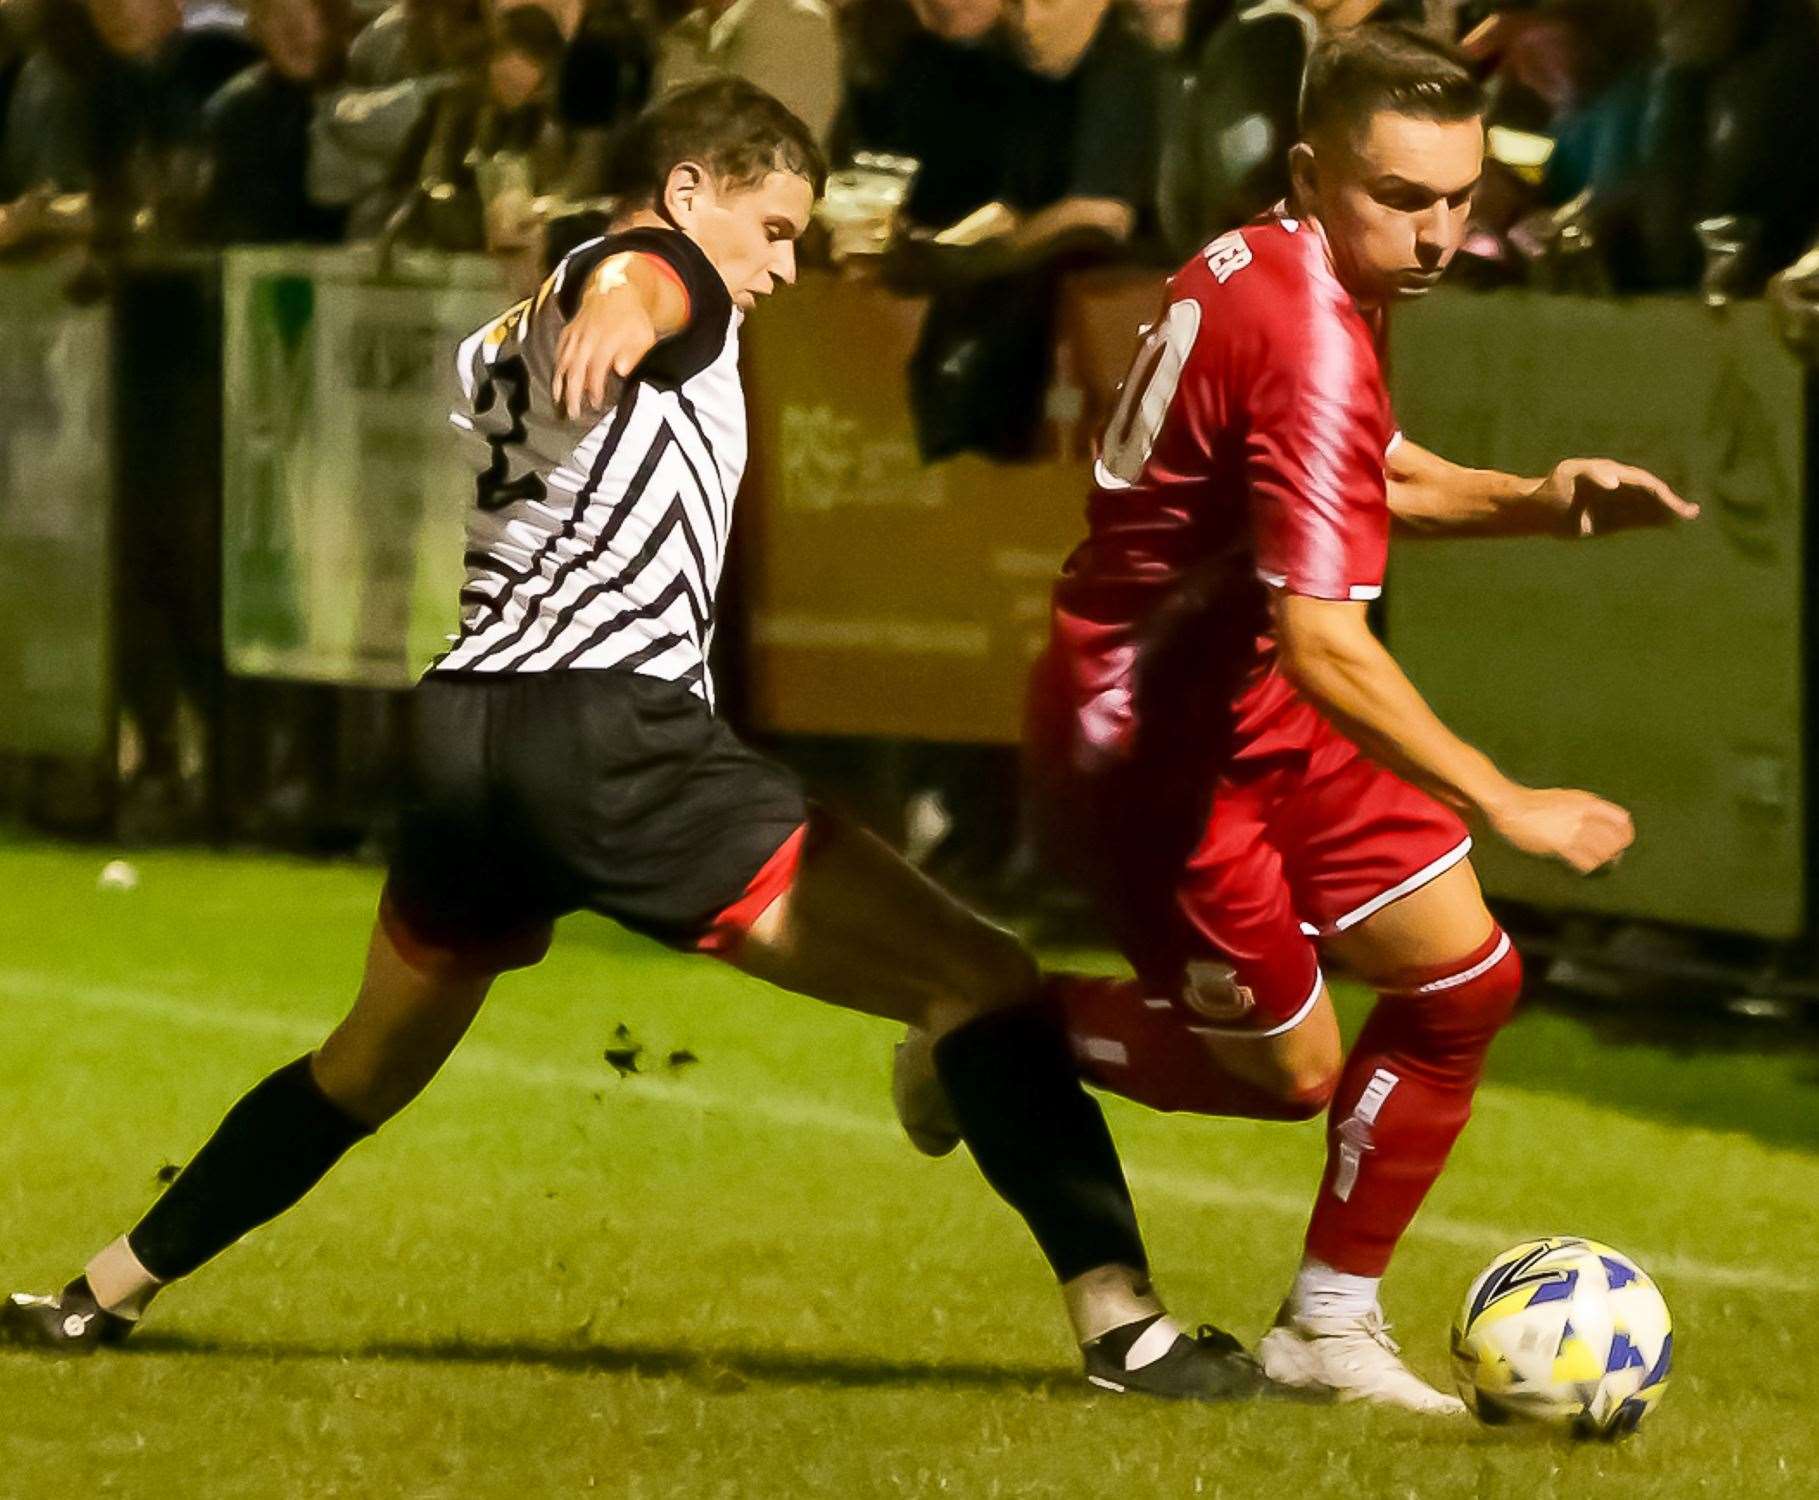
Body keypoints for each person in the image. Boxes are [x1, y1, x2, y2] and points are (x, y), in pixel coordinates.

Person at [0, 78, 1270, 1405]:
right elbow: (647, 285)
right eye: (771, 227)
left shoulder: (514, 318)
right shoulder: (655, 272)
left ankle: (97, 1296)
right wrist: (630, 297)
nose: (782, 264)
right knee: (987, 982)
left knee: (360, 1068)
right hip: (609, 738)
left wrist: (722, 265)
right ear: (688, 190)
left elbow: (618, 281)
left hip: (464, 740)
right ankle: (1126, 1332)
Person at [894, 23, 1698, 1413]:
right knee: (1290, 1075)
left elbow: (1358, 472)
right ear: (1317, 169)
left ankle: (1327, 1325)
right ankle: (990, 1040)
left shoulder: (1284, 256)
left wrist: (1539, 504)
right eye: (1405, 199)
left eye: (1459, 198)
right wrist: (1506, 802)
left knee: (1462, 979)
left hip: (1243, 697)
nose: (1442, 232)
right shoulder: (1311, 326)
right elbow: (1332, 642)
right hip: (1151, 738)